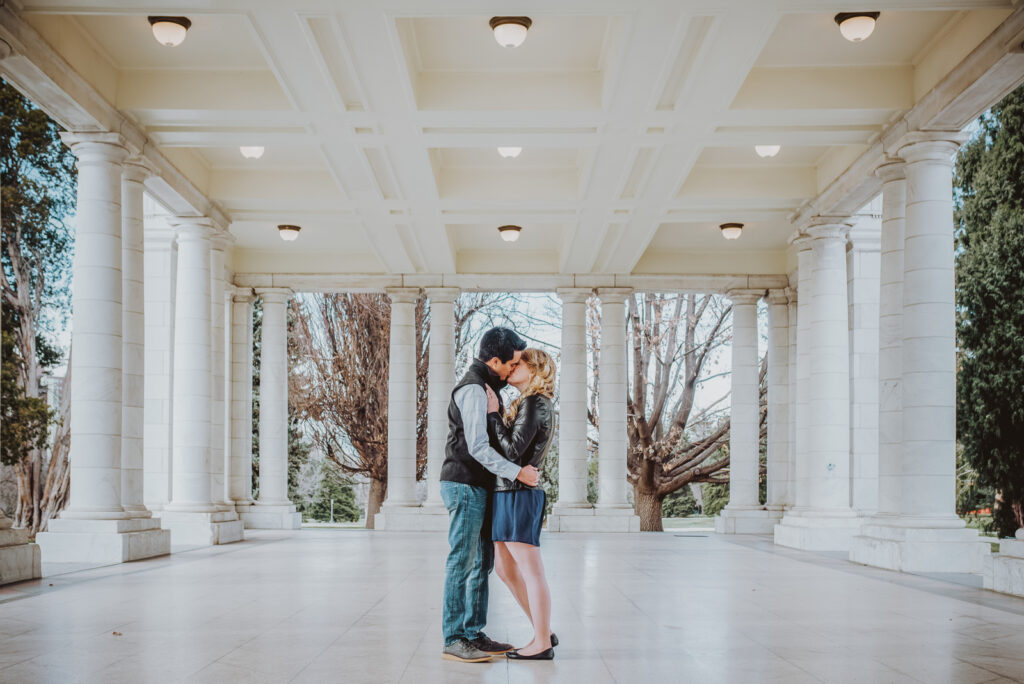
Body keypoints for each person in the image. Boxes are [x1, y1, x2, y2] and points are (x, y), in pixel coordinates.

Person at [439, 327, 540, 664]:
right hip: (463, 483)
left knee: (481, 563)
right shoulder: (472, 389)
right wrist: (517, 472)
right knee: (462, 560)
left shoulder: (489, 389)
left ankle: (473, 634)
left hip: (479, 486)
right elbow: (478, 447)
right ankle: (454, 638)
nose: (513, 369)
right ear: (494, 361)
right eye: (510, 364)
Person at [485, 348, 558, 660]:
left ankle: (541, 641)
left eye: (519, 363)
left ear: (536, 368)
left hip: (518, 494)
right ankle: (544, 631)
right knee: (504, 568)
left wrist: (492, 415)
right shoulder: (530, 403)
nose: (513, 367)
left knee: (531, 571)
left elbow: (513, 451)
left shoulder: (534, 403)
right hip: (508, 492)